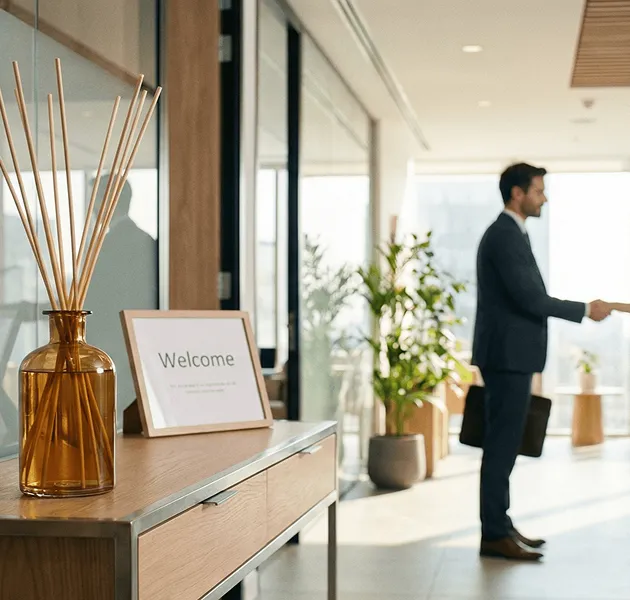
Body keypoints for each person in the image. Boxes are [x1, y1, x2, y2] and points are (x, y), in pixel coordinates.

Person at [471, 162, 611, 561]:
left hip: (510, 356)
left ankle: (501, 525)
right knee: (501, 446)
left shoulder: (511, 234)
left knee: (506, 444)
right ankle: (494, 533)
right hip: (507, 357)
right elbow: (530, 299)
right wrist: (586, 308)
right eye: (538, 190)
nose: (544, 198)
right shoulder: (503, 235)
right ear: (518, 193)